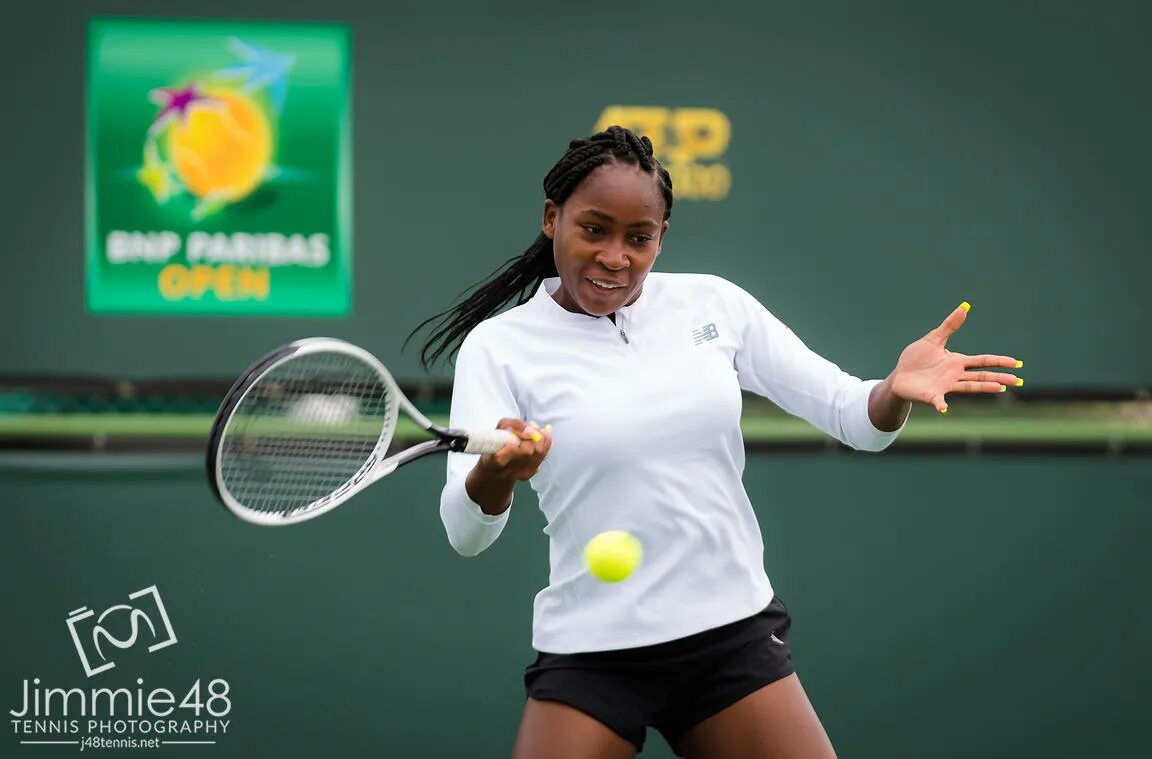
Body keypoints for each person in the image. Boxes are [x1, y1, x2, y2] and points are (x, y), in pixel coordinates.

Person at [410, 126, 1022, 759]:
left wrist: (893, 389)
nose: (615, 257)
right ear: (551, 219)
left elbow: (852, 416)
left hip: (729, 639)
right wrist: (498, 476)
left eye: (638, 238)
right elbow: (466, 532)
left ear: (661, 237)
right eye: (593, 230)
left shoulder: (715, 306)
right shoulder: (501, 347)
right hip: (592, 651)